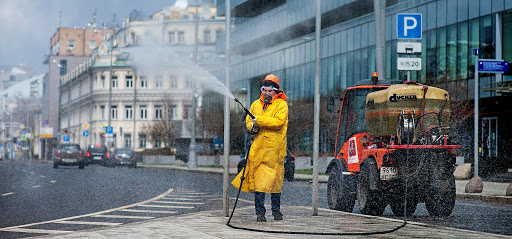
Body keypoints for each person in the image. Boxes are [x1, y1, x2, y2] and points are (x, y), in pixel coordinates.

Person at [232, 74, 288, 222]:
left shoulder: (282, 105)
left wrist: (259, 121)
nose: (267, 93)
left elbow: (278, 122)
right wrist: (252, 127)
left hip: (274, 151)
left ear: (276, 91)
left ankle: (276, 211)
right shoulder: (255, 104)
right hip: (258, 150)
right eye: (265, 90)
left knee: (275, 185)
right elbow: (249, 121)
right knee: (260, 184)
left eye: (270, 91)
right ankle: (260, 213)